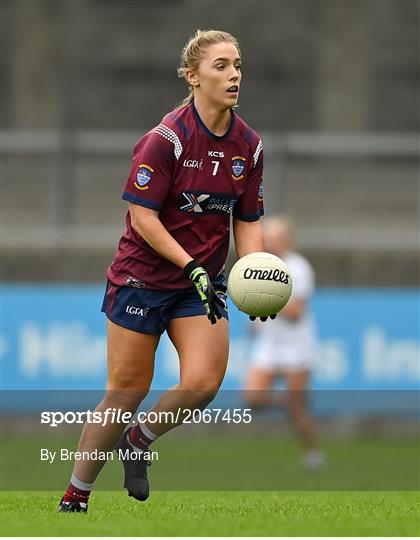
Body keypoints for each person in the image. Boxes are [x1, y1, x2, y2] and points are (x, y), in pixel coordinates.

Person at [58, 29, 273, 513]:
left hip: (201, 284)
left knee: (203, 383)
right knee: (126, 390)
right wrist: (192, 264)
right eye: (221, 66)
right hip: (142, 279)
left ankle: (138, 441)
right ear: (193, 77)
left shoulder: (250, 146)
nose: (234, 74)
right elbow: (143, 219)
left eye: (237, 64)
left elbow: (249, 220)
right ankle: (76, 496)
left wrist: (256, 275)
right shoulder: (166, 140)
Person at [243, 216, 325, 471]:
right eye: (266, 236)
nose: (268, 241)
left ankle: (313, 452)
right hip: (270, 344)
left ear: (286, 239)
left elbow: (296, 313)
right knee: (252, 398)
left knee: (298, 410)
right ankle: (286, 402)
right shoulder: (263, 266)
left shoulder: (298, 268)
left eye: (273, 236)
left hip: (296, 347)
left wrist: (266, 299)